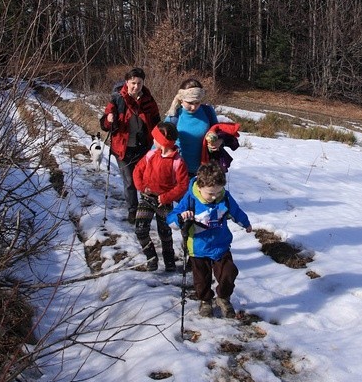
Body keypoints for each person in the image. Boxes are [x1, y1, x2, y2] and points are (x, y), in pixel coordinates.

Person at [168, 163, 253, 318]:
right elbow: (172, 220)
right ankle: (205, 300)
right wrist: (181, 218)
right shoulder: (190, 199)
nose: (215, 197)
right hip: (198, 247)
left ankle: (223, 297)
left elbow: (235, 211)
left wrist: (245, 223)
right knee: (201, 279)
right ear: (200, 187)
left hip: (221, 245)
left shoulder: (224, 197)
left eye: (218, 192)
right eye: (211, 194)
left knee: (229, 272)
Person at [100, 67, 161, 224]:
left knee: (145, 178)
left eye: (139, 83)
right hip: (123, 148)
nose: (136, 86)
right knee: (129, 181)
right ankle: (133, 210)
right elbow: (105, 125)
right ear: (127, 82)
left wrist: (160, 139)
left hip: (143, 147)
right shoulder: (117, 99)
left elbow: (156, 120)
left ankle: (145, 207)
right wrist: (109, 119)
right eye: (133, 83)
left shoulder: (148, 99)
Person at [132, 122, 189, 272]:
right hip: (146, 198)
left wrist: (166, 197)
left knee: (165, 233)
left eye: (155, 138)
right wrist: (141, 187)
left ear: (162, 141)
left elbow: (183, 185)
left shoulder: (178, 162)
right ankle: (151, 258)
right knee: (140, 230)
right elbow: (138, 170)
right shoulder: (151, 154)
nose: (153, 141)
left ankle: (169, 260)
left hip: (164, 202)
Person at [166, 78, 218, 176]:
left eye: (197, 102)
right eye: (190, 103)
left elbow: (218, 131)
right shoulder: (174, 116)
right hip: (178, 170)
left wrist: (219, 141)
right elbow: (160, 142)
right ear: (181, 99)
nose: (193, 107)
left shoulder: (208, 112)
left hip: (204, 170)